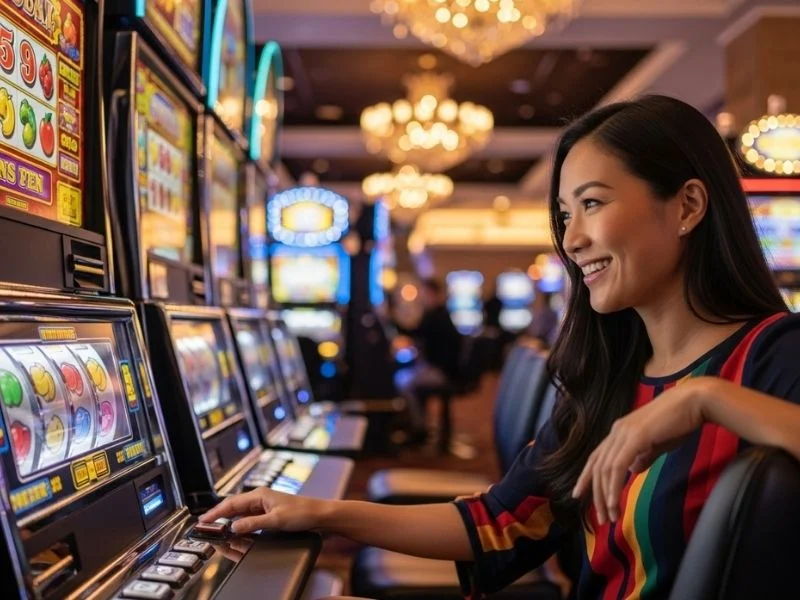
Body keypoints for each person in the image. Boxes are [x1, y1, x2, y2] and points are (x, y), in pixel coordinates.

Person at [199, 96, 800, 599]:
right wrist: (318, 513)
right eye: (564, 215)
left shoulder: (773, 354)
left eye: (592, 203)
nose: (572, 240)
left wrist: (703, 399)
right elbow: (500, 521)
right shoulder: (612, 375)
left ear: (688, 206)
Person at [392, 278, 463, 442]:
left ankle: (418, 428)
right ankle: (418, 423)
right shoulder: (439, 313)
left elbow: (416, 334)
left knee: (403, 382)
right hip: (440, 368)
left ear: (433, 294)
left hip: (442, 372)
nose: (421, 296)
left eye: (424, 292)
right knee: (407, 377)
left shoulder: (436, 316)